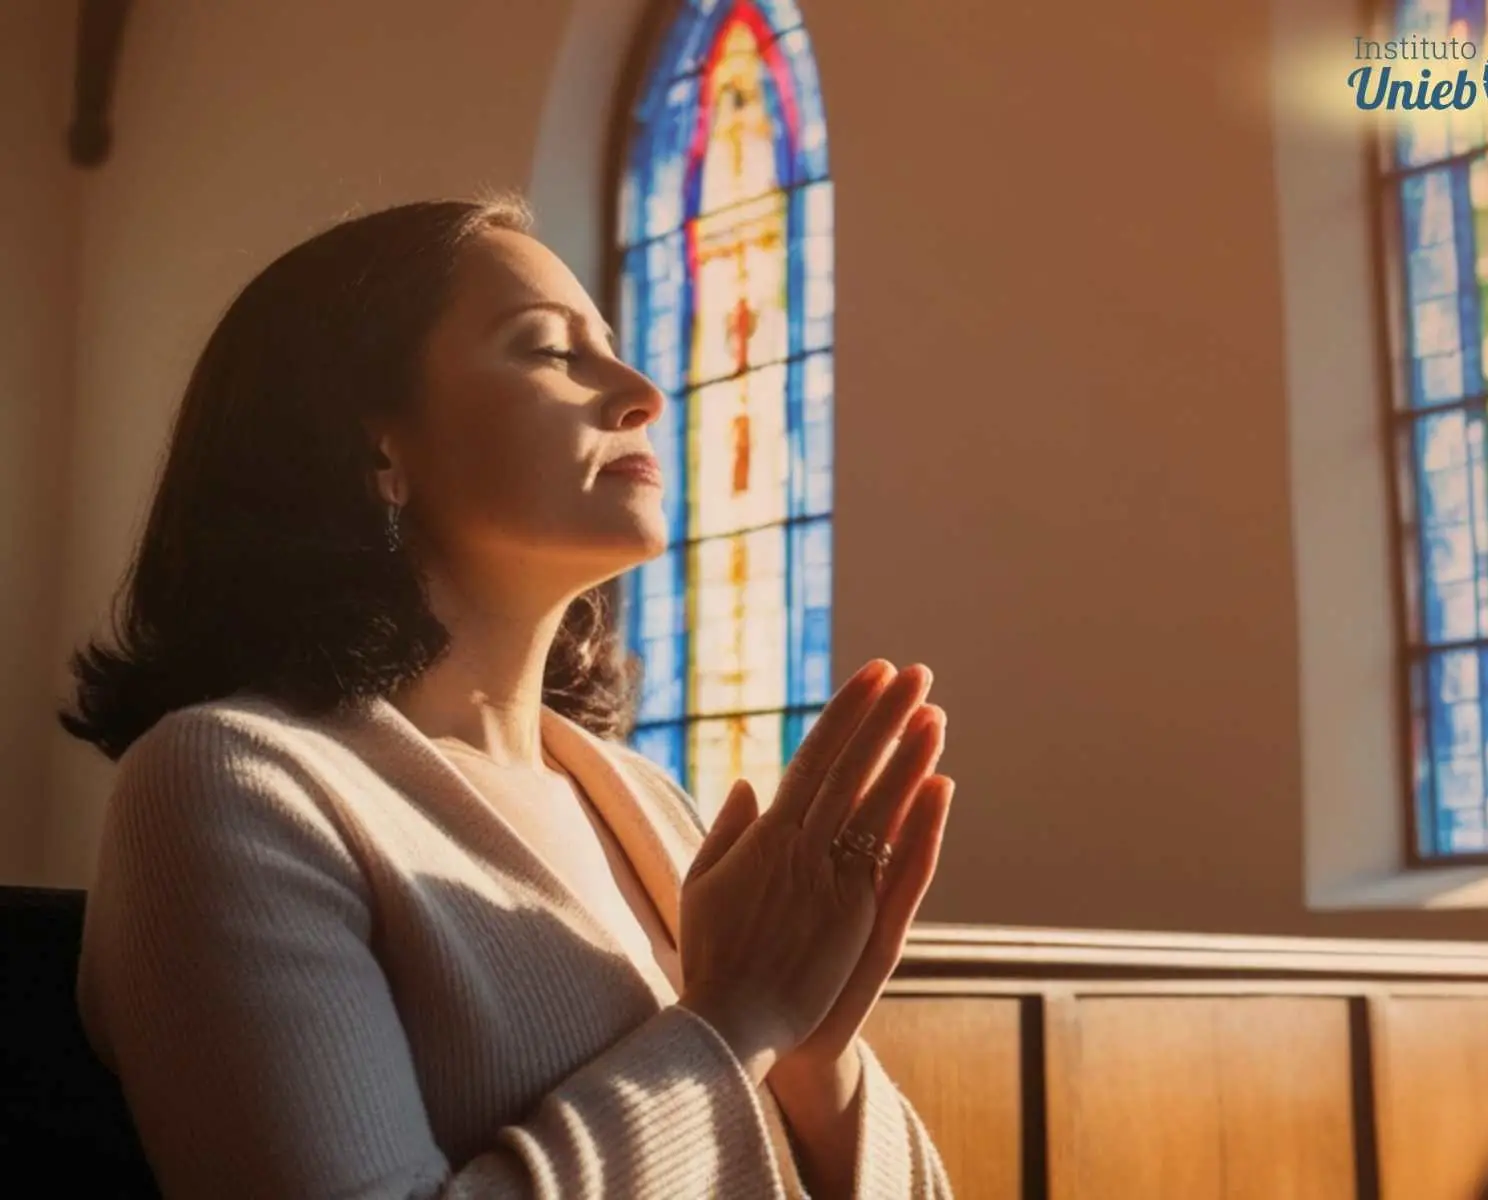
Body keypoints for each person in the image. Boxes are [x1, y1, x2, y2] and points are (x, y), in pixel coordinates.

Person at [60, 196, 957, 1199]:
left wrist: (813, 1058)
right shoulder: (229, 785)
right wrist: (737, 1020)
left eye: (611, 348)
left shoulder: (640, 799)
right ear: (375, 446)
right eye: (550, 350)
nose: (641, 393)